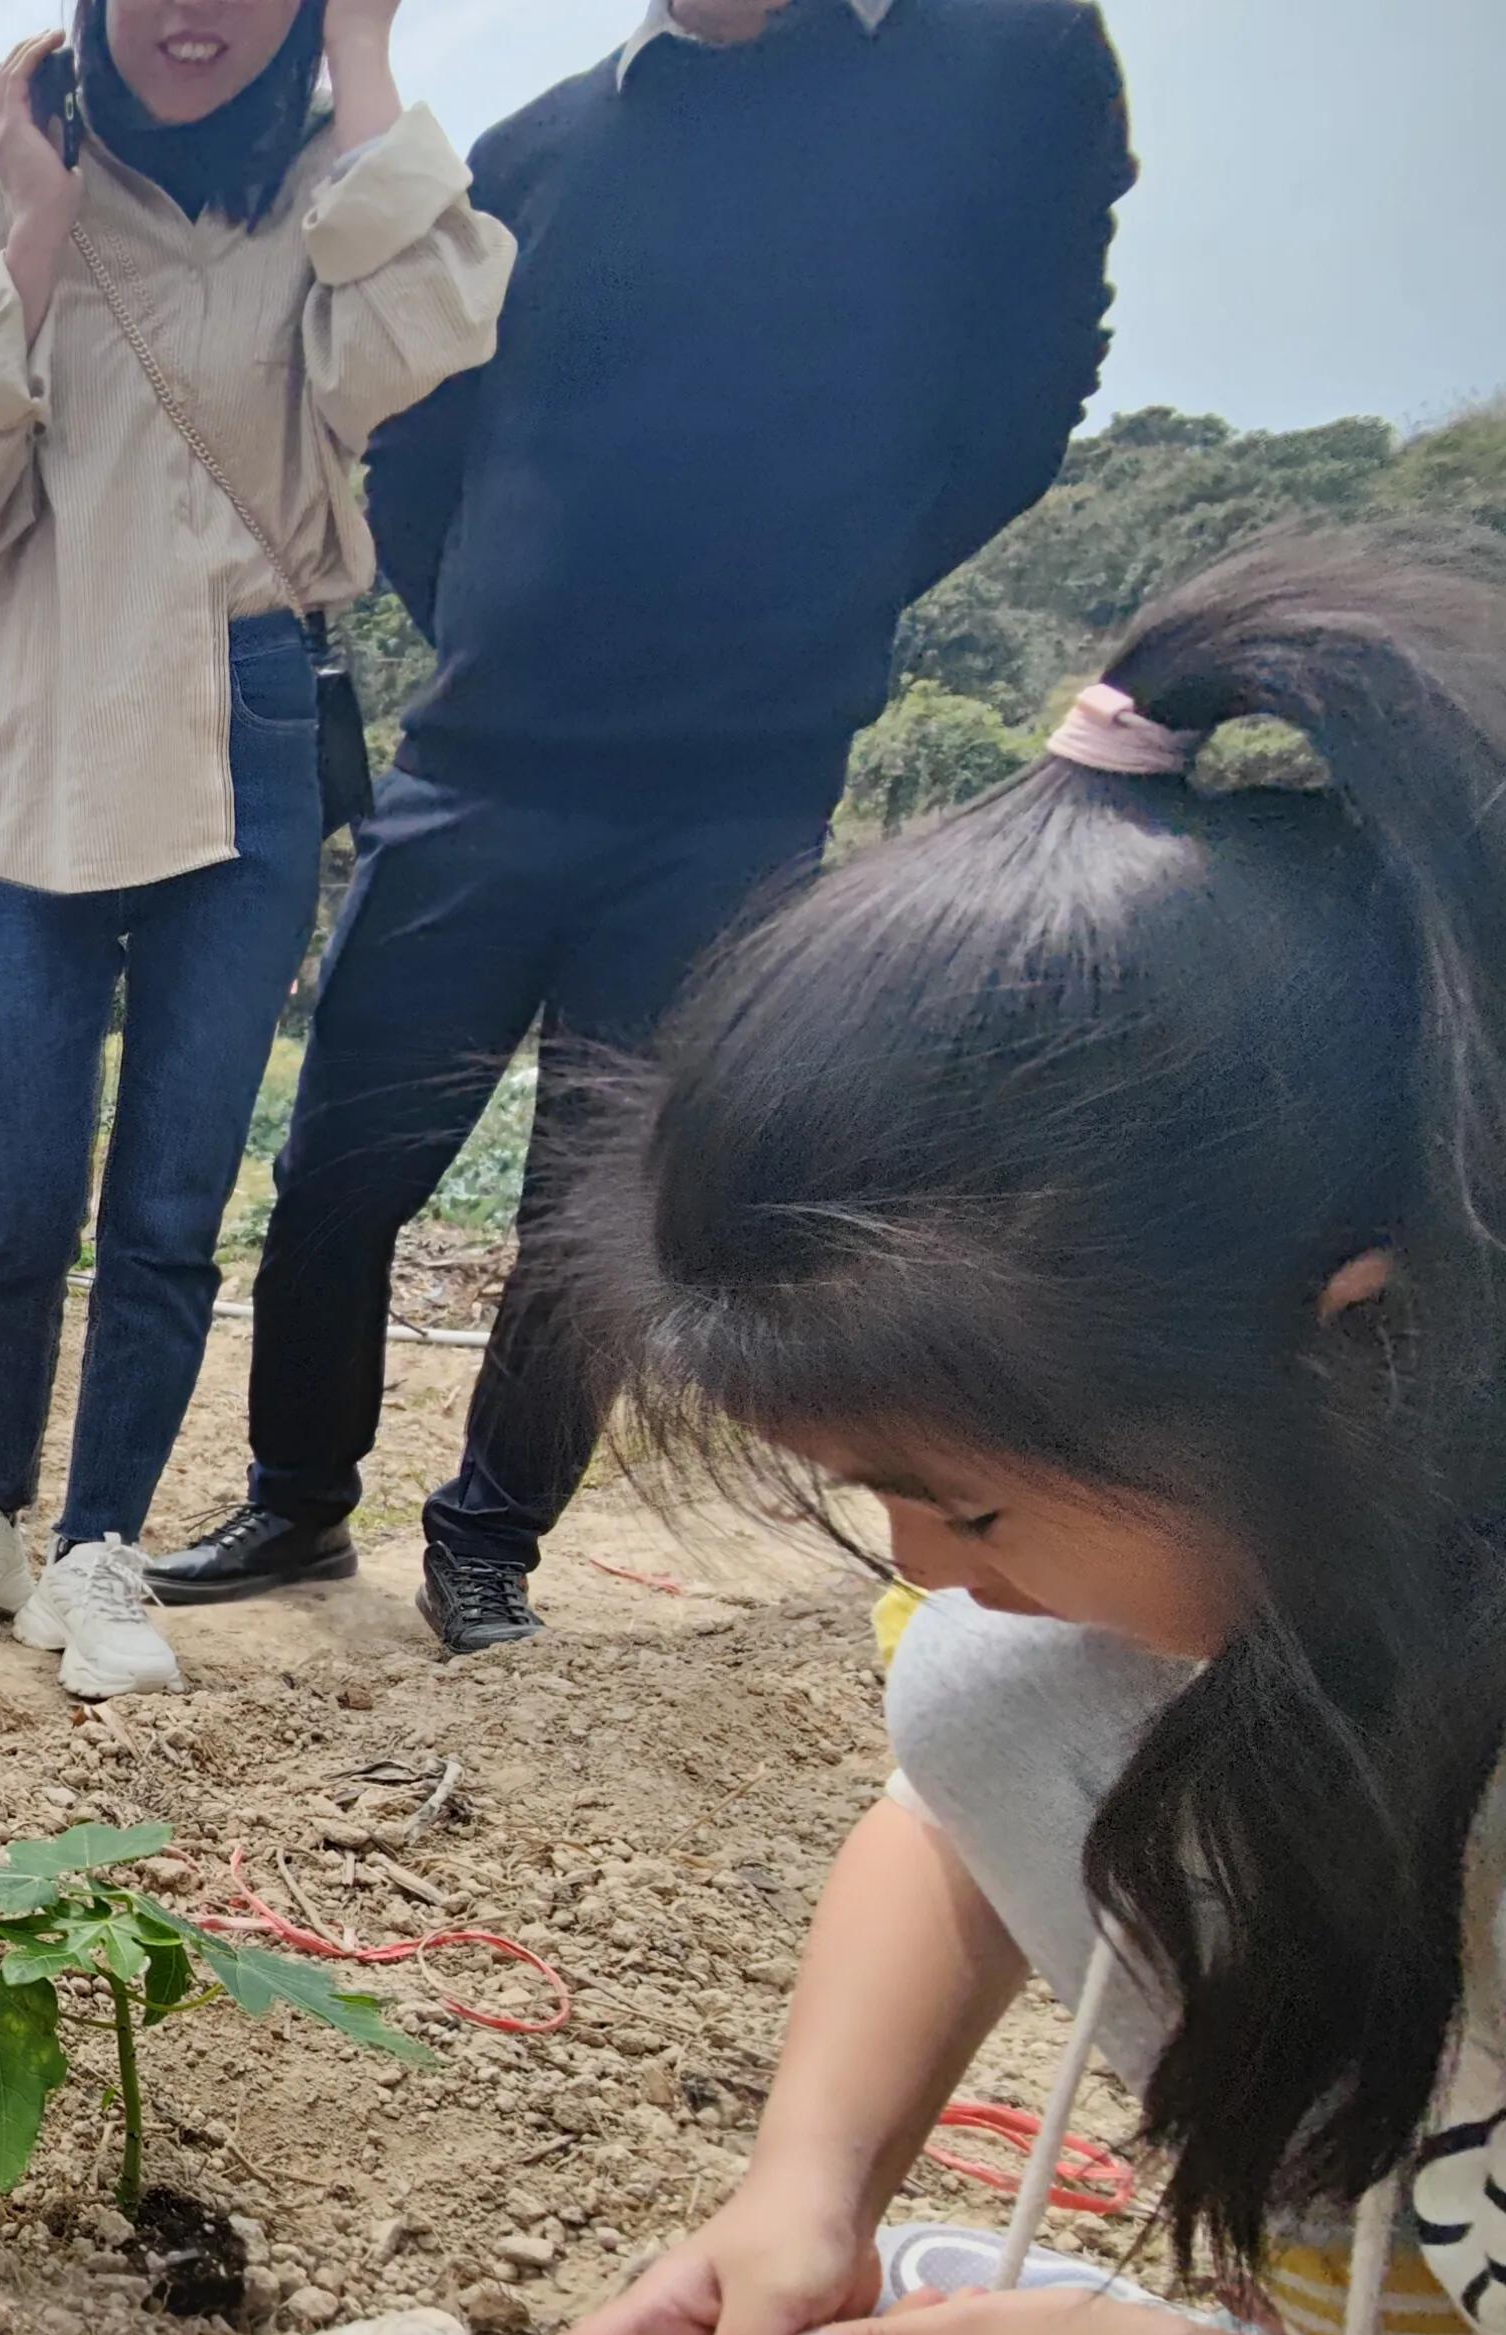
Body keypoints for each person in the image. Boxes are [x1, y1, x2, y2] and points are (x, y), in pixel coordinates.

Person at [550, 535, 1506, 2335]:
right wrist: (809, 2189)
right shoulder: (1230, 1580)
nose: (920, 1564)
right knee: (1001, 1690)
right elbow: (955, 1824)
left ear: (1359, 1346)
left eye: (963, 1499)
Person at [154, 0, 1134, 1654]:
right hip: (479, 765)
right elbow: (418, 440)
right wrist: (489, 627)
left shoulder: (974, 82)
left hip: (734, 795)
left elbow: (1027, 398)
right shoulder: (536, 154)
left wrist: (827, 586)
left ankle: (488, 1542)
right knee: (338, 1170)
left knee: (597, 1215)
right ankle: (300, 1497)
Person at [0, 0, 509, 1698]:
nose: (193, 11)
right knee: (15, 1192)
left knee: (169, 1197)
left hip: (245, 721)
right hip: (34, 712)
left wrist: (365, 65)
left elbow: (429, 340)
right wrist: (38, 222)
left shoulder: (320, 214)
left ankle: (100, 1546)